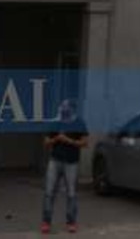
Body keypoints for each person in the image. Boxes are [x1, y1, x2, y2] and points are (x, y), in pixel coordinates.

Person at [41, 100, 88, 234]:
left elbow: (85, 143)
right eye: (62, 107)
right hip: (55, 161)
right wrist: (56, 139)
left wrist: (69, 141)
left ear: (72, 109)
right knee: (49, 192)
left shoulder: (79, 122)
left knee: (71, 193)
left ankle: (71, 222)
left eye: (65, 108)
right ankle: (46, 222)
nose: (63, 110)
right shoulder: (55, 122)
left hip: (71, 163)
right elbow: (46, 142)